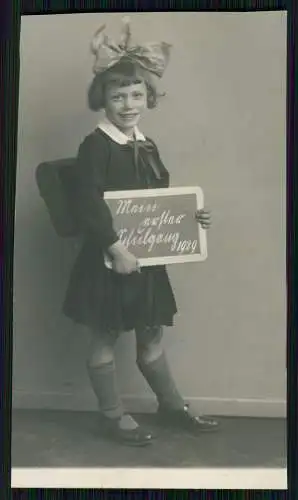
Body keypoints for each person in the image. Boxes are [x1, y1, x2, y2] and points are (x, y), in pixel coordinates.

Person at [63, 19, 218, 446]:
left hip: (147, 259)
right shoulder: (95, 145)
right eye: (118, 96)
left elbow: (158, 202)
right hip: (110, 258)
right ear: (103, 100)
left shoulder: (146, 144)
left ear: (148, 97)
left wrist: (190, 218)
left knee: (151, 335)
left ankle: (171, 407)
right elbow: (88, 204)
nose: (128, 104)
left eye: (136, 95)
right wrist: (115, 247)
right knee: (105, 337)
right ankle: (111, 415)